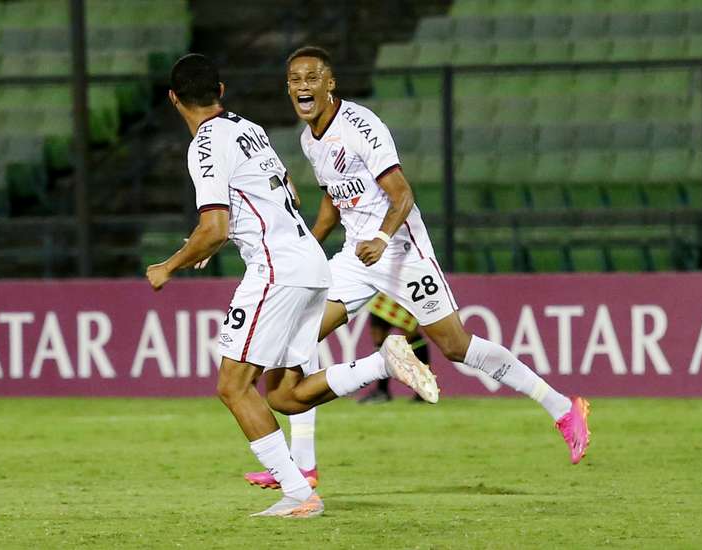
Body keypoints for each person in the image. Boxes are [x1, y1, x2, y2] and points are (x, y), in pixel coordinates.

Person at [243, 45, 590, 491]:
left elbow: (402, 194)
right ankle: (303, 467)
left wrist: (382, 238)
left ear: (330, 84)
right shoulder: (309, 139)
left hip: (402, 251)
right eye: (294, 79)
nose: (303, 86)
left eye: (311, 78)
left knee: (456, 346)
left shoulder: (362, 126)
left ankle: (564, 408)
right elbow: (333, 196)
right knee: (298, 336)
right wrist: (309, 246)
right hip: (355, 256)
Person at [145, 53, 439, 517]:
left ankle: (299, 495)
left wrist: (171, 264)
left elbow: (216, 226)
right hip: (310, 262)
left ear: (173, 99)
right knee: (283, 394)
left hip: (275, 270)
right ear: (221, 92)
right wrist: (207, 243)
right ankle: (383, 362)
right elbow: (288, 195)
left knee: (233, 386)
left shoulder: (203, 146)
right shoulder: (249, 129)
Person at [360, 293, 430, 403]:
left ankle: (424, 389)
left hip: (401, 290)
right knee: (378, 337)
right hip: (380, 289)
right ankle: (382, 390)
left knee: (411, 333)